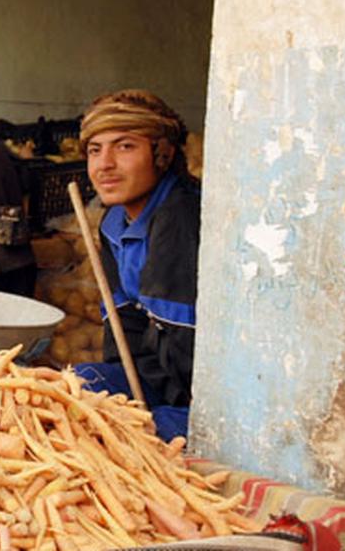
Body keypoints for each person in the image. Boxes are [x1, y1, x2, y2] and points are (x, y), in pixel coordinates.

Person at [72, 90, 201, 441]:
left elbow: (186, 350)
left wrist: (144, 418)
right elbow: (124, 330)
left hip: (201, 397)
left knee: (139, 436)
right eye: (95, 150)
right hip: (158, 382)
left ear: (162, 154)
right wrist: (125, 401)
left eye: (125, 146)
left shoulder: (181, 215)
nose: (104, 165)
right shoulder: (114, 223)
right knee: (74, 388)